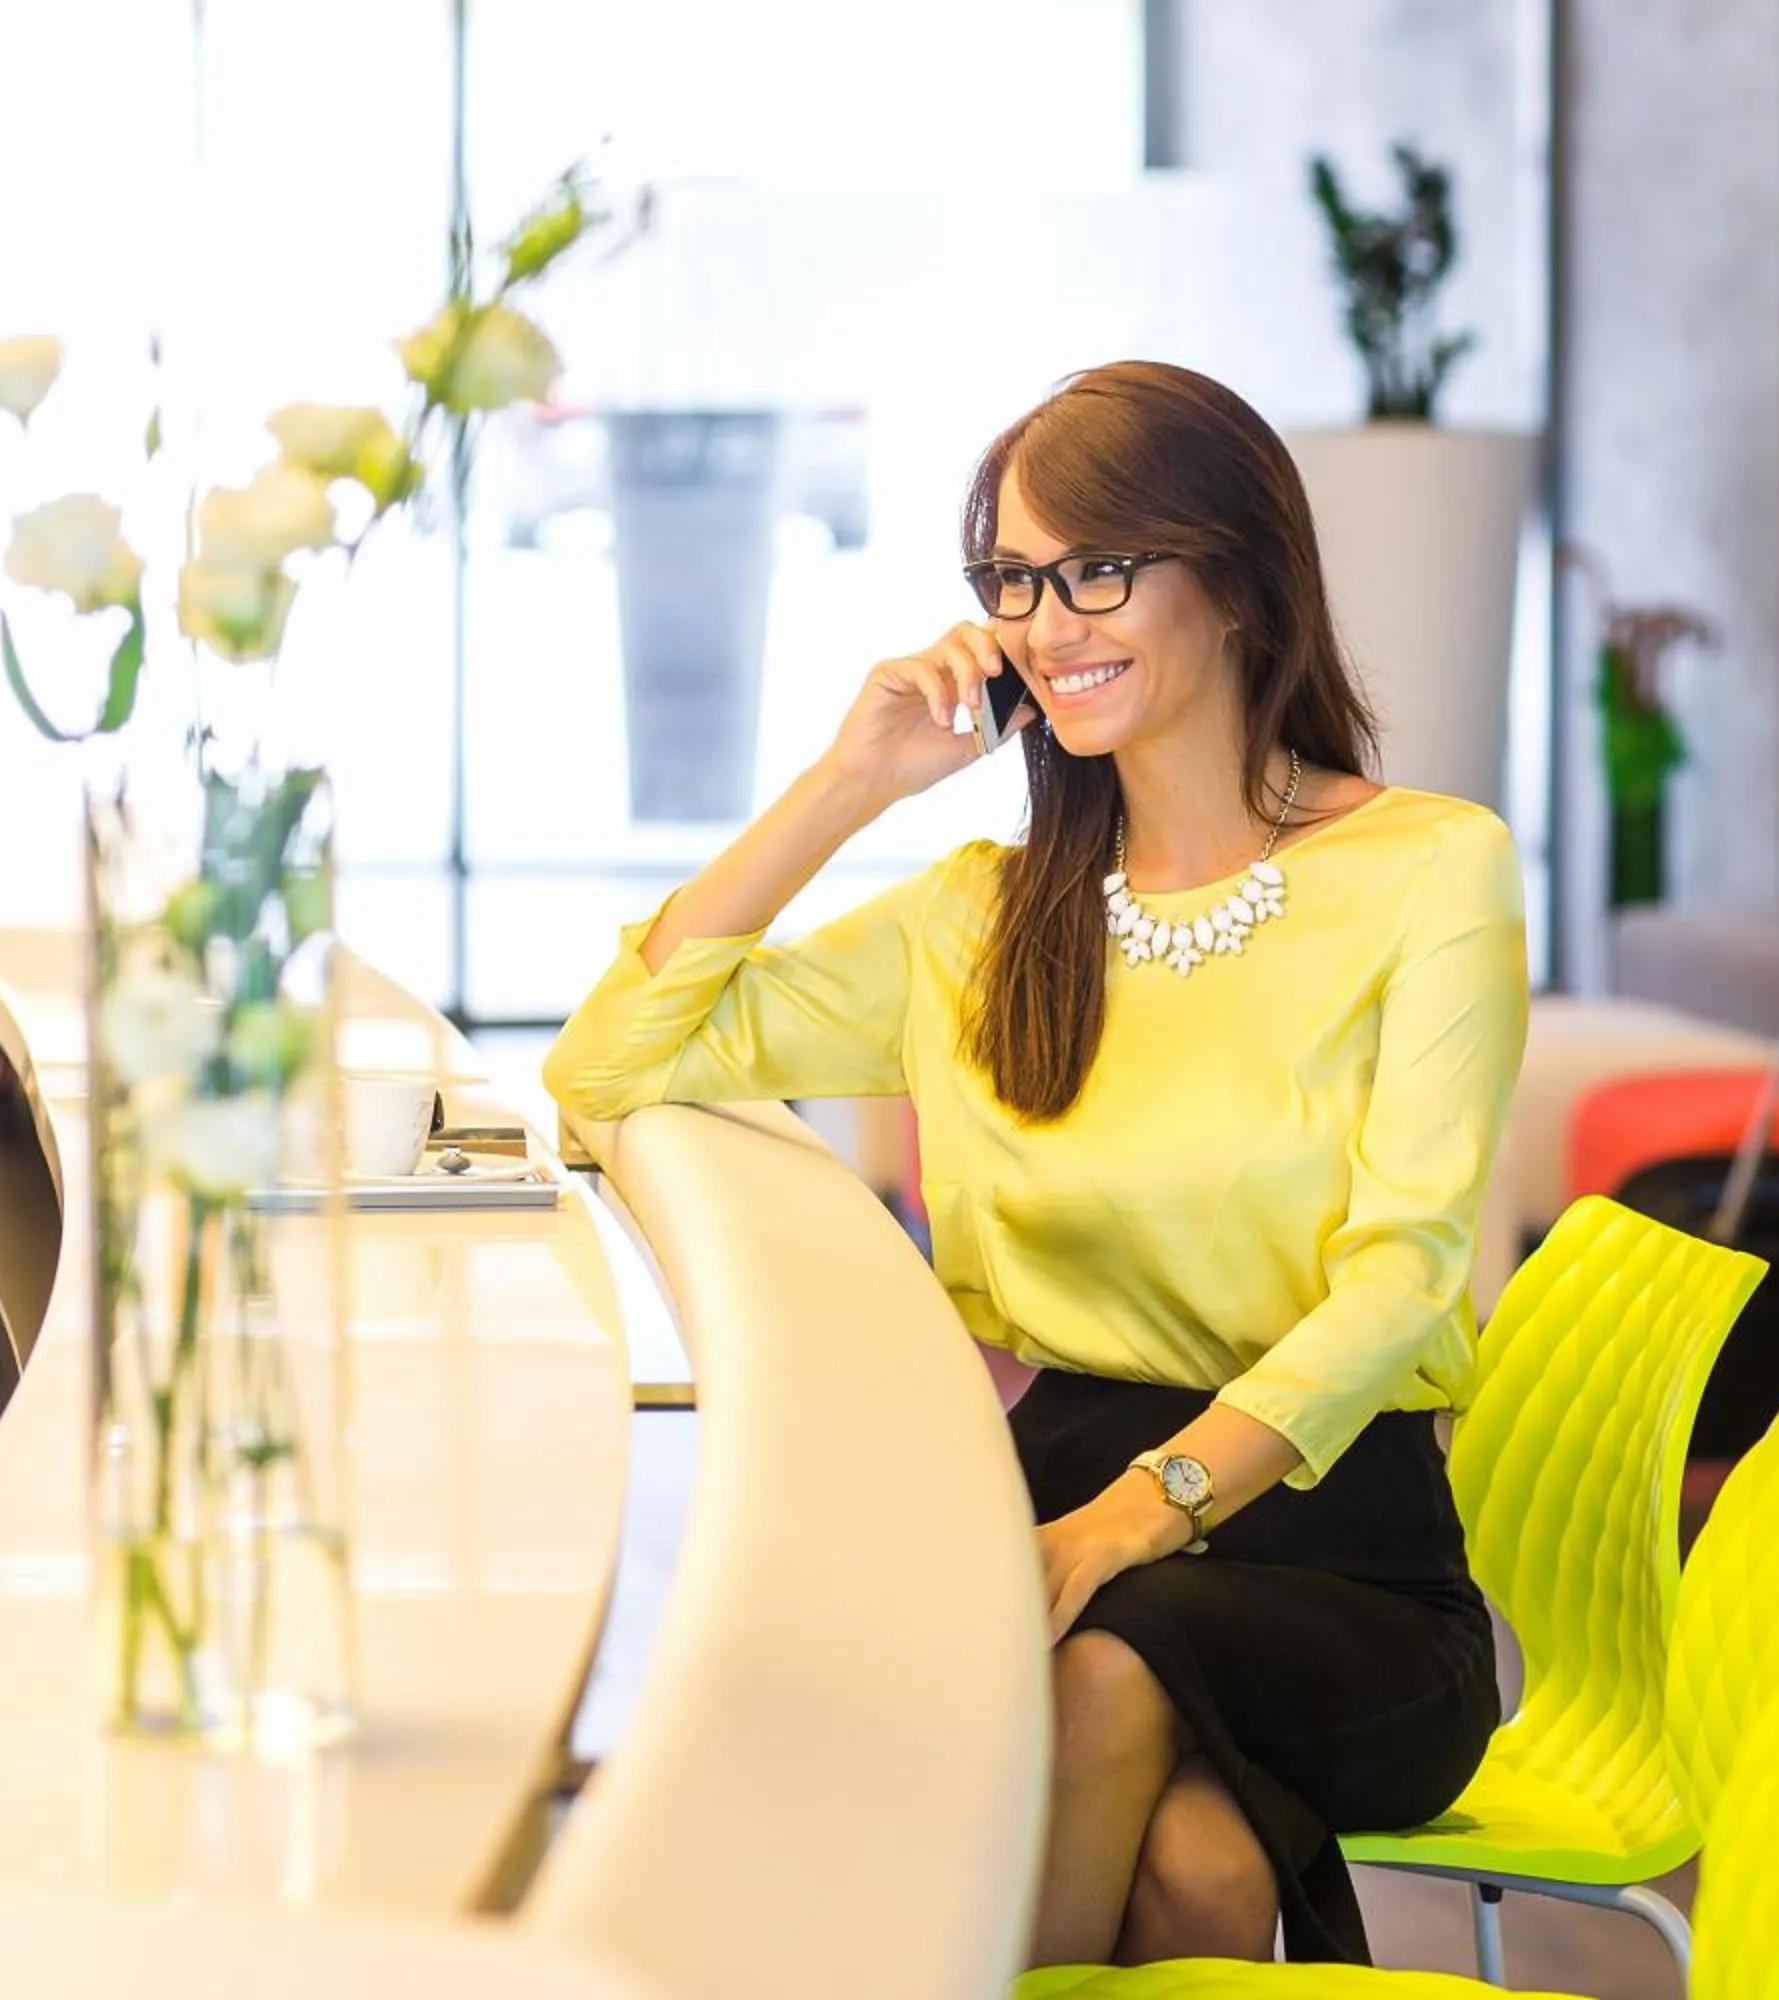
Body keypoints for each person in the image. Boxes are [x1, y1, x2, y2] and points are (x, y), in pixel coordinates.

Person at [543, 360, 1527, 1967]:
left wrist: (1133, 1520)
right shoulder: (984, 916)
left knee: (1107, 1674)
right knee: (1197, 1877)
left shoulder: (1429, 869)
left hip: (1331, 1547)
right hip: (1059, 1491)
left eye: (1096, 571)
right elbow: (609, 1062)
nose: (1046, 623)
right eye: (1012, 580)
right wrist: (849, 781)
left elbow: (1406, 1279)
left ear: (1236, 575)